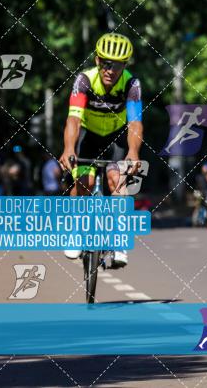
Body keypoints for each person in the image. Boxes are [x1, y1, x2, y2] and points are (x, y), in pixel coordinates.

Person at [59, 33, 143, 267]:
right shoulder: (84, 80)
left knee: (117, 179)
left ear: (124, 65)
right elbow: (73, 119)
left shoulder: (131, 84)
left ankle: (119, 243)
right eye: (106, 63)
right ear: (97, 61)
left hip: (117, 137)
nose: (110, 70)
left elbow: (135, 123)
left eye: (116, 65)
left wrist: (133, 152)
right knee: (83, 181)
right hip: (89, 135)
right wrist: (67, 149)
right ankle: (76, 230)